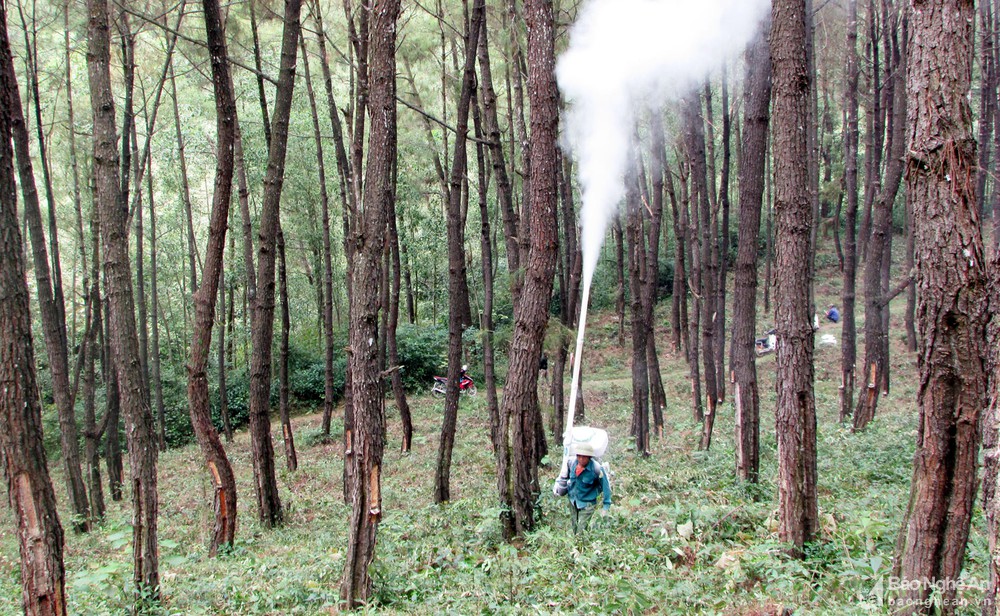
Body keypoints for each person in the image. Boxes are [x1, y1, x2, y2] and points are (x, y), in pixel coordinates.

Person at [553, 443, 612, 534]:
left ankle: (579, 546)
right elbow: (563, 477)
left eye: (584, 457)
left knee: (581, 532)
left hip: (587, 504)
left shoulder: (597, 469)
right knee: (574, 528)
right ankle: (576, 545)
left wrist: (606, 506)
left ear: (589, 457)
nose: (581, 459)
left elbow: (606, 487)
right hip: (573, 501)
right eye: (579, 456)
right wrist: (558, 486)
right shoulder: (571, 464)